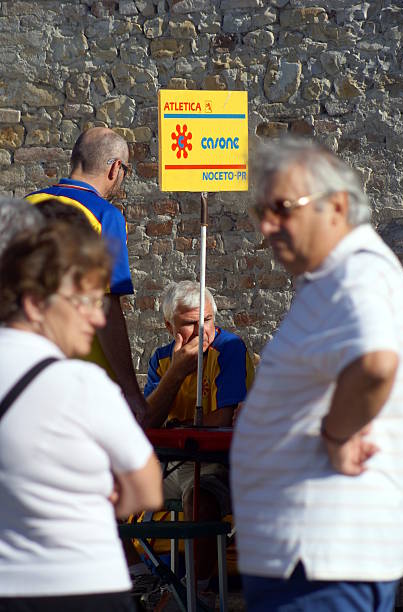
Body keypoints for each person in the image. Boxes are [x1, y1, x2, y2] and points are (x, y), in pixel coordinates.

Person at [231, 137, 403, 611]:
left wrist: (335, 433)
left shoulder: (355, 273)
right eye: (260, 212)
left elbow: (375, 364)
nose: (267, 226)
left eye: (282, 209)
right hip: (312, 557)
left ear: (337, 206)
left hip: (318, 558)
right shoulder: (335, 276)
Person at [0, 222, 163, 612]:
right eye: (85, 302)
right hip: (83, 581)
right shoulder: (83, 383)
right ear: (37, 303)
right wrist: (94, 495)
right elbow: (148, 491)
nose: (97, 318)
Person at [25, 127, 146, 421]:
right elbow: (107, 305)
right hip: (84, 379)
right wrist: (131, 391)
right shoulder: (105, 215)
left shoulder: (24, 206)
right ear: (116, 168)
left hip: (24, 370)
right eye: (125, 171)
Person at [144, 280, 254, 588]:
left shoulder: (229, 349)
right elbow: (147, 420)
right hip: (167, 463)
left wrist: (175, 425)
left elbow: (221, 418)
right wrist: (177, 372)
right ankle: (139, 579)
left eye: (207, 320)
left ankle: (198, 591)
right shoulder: (162, 359)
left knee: (200, 500)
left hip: (213, 463)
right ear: (170, 326)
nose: (202, 330)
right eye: (191, 324)